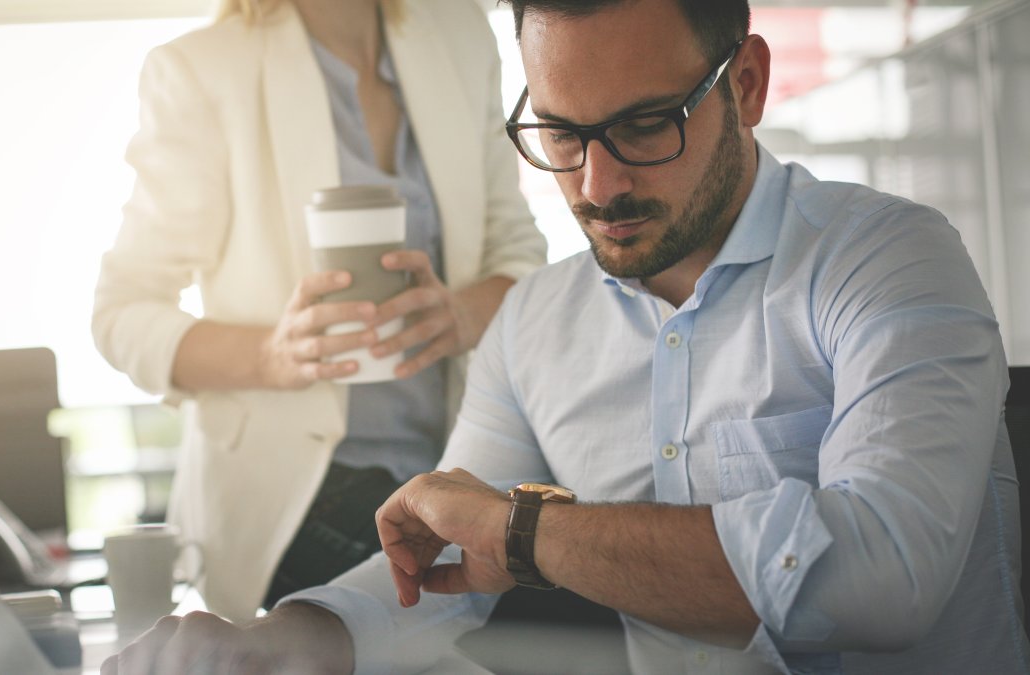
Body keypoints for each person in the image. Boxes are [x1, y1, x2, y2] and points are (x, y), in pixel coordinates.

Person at [102, 0, 1030, 673]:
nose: (595, 183)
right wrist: (282, 641)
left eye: (641, 126)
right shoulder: (537, 323)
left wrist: (530, 532)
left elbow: (880, 580)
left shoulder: (890, 258)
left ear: (744, 84)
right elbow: (448, 567)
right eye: (559, 132)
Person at [91, 0, 547, 625]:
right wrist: (274, 357)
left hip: (455, 467)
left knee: (568, 603)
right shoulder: (203, 69)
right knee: (464, 621)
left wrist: (463, 316)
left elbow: (518, 252)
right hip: (295, 495)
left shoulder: (459, 33)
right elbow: (122, 313)